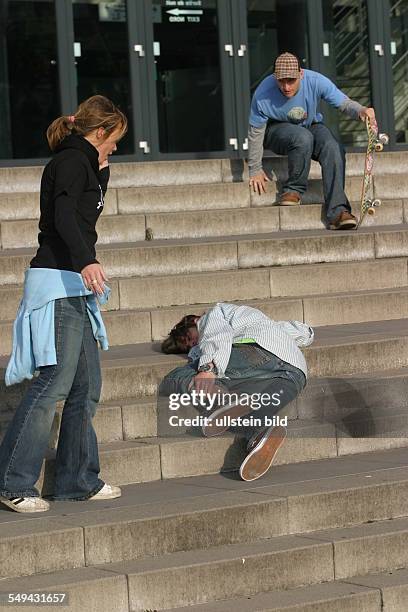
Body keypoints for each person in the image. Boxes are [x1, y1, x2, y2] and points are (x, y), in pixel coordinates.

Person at [0, 95, 127, 513]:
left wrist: (103, 174)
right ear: (100, 132)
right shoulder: (71, 163)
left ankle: (76, 480)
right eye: (114, 141)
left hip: (72, 285)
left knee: (85, 388)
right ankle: (13, 482)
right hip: (56, 282)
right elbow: (64, 218)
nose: (115, 148)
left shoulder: (86, 165)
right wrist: (87, 260)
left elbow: (84, 215)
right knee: (52, 383)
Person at [160, 303, 313, 481]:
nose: (192, 343)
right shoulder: (263, 322)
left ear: (194, 321)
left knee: (175, 377)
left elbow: (218, 333)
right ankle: (259, 434)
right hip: (295, 374)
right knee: (257, 412)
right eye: (187, 346)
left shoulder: (213, 314)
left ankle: (220, 398)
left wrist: (208, 368)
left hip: (256, 355)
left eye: (188, 337)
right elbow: (302, 332)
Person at [248, 52, 377, 230]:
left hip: (310, 125)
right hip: (275, 132)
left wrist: (361, 110)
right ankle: (293, 190)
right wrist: (255, 168)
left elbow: (344, 103)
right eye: (281, 81)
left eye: (291, 81)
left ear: (301, 74)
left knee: (333, 147)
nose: (286, 87)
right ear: (274, 77)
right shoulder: (263, 93)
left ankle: (338, 211)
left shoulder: (316, 81)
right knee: (302, 136)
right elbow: (255, 132)